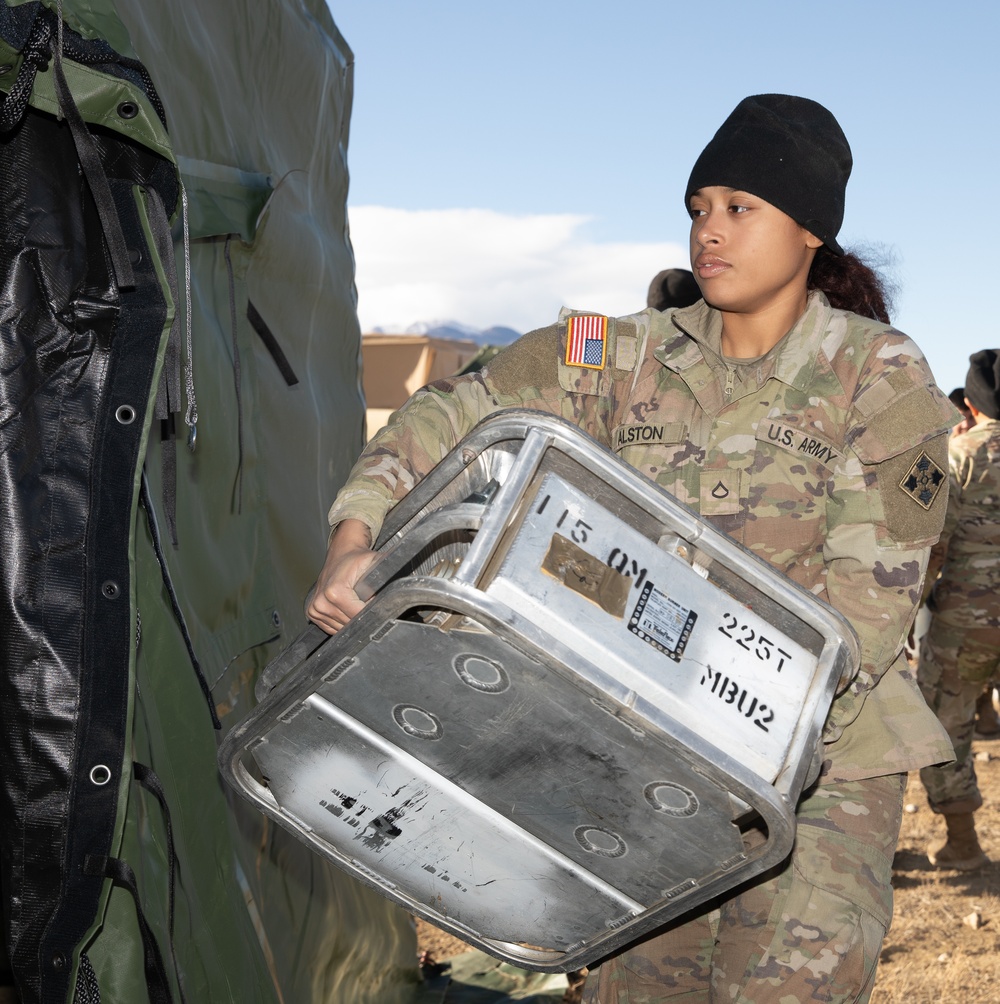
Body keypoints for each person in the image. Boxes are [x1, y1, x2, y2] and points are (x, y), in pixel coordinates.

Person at [308, 94, 957, 1001]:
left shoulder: (880, 372)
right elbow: (459, 405)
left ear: (811, 230)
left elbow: (870, 610)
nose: (710, 233)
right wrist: (357, 536)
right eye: (698, 209)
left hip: (826, 767)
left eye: (741, 209)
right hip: (642, 756)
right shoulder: (614, 348)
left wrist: (729, 714)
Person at [916, 351, 1000, 870]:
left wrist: (914, 604)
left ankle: (963, 843)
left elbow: (930, 537)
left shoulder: (956, 454)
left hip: (967, 624)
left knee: (944, 722)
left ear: (969, 403)